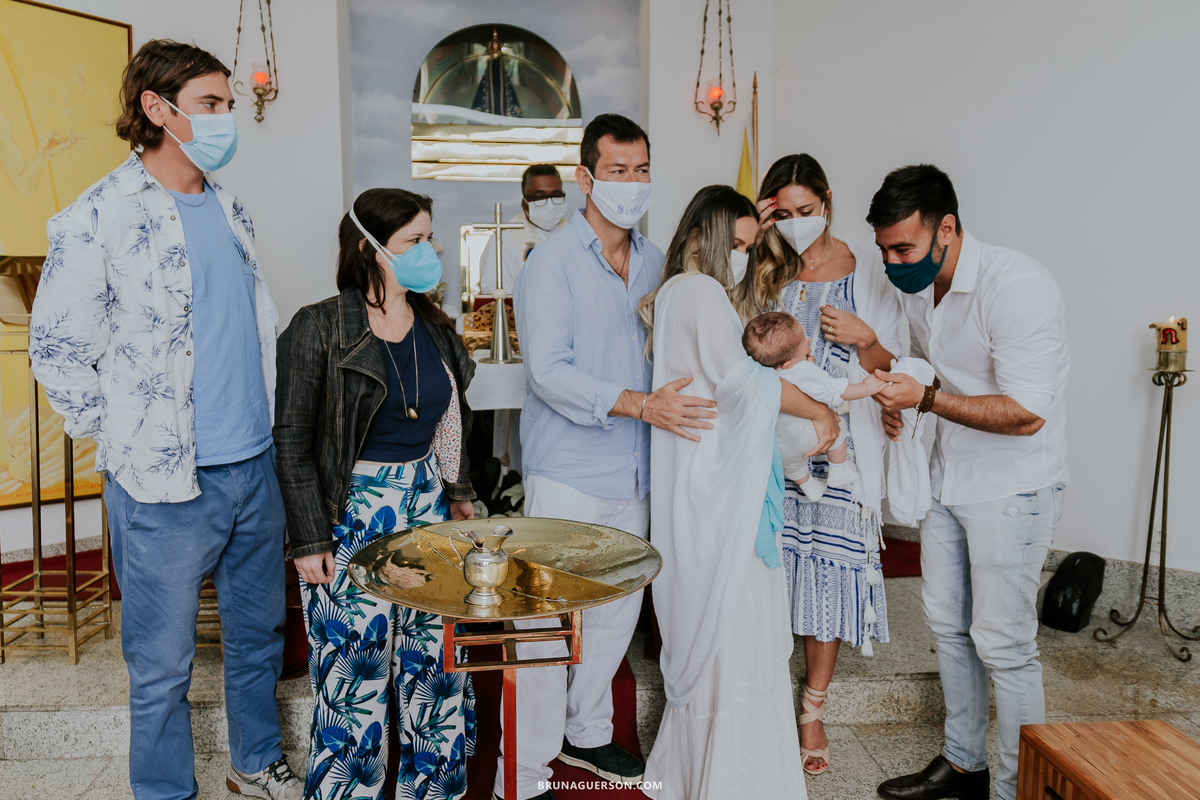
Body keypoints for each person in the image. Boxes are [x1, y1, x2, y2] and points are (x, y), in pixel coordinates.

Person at [29, 40, 301, 799]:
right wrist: (125, 443)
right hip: (163, 487)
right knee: (160, 667)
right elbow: (54, 353)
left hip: (252, 468)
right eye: (211, 104)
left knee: (257, 643)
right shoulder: (95, 218)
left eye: (226, 105)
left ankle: (254, 764)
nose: (225, 120)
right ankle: (165, 792)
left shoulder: (231, 206)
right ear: (157, 108)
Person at [504, 113, 718, 800]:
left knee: (615, 611)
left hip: (639, 468)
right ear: (586, 178)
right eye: (618, 171)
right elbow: (548, 372)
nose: (632, 183)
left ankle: (589, 729)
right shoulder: (552, 263)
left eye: (641, 170)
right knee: (542, 622)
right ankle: (529, 768)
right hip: (568, 469)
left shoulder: (660, 264)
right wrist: (638, 403)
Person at [869, 165, 1069, 800]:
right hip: (948, 479)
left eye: (903, 248)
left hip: (1012, 487)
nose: (893, 263)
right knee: (949, 629)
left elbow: (1027, 412)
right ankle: (964, 765)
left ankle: (1017, 789)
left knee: (1005, 645)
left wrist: (925, 398)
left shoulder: (1017, 286)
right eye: (884, 250)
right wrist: (898, 398)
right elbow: (927, 372)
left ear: (946, 228)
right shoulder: (918, 285)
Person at [274, 188, 478, 800]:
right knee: (351, 686)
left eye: (429, 238)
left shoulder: (437, 330)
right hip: (352, 517)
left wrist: (458, 493)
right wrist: (310, 537)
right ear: (370, 249)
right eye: (414, 241)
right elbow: (291, 440)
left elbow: (451, 421)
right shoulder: (318, 327)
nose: (429, 251)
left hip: (427, 513)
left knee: (436, 673)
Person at [639, 184, 840, 800]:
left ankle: (701, 767)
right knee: (738, 621)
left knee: (716, 621)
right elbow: (743, 384)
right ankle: (738, 778)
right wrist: (822, 411)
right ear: (708, 233)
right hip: (722, 491)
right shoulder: (700, 292)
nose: (743, 258)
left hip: (696, 481)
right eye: (740, 244)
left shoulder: (672, 293)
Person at [739, 153, 903, 774]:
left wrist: (864, 338)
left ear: (828, 201)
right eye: (784, 214)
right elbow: (731, 349)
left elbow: (893, 364)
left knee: (828, 570)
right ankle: (756, 696)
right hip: (773, 442)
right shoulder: (763, 267)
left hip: (841, 447)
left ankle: (813, 707)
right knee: (769, 568)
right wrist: (752, 238)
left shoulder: (867, 268)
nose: (797, 224)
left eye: (806, 211)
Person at [743, 311, 888, 498]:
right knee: (838, 430)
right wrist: (866, 387)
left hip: (776, 442)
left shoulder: (763, 375)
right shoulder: (803, 371)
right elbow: (833, 391)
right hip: (808, 435)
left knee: (792, 464)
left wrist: (802, 359)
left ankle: (809, 486)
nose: (807, 336)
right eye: (804, 338)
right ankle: (839, 469)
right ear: (788, 364)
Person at [479, 163, 570, 296]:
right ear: (524, 204)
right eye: (540, 197)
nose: (549, 204)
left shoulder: (573, 233)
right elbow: (492, 286)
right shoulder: (504, 238)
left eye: (556, 196)